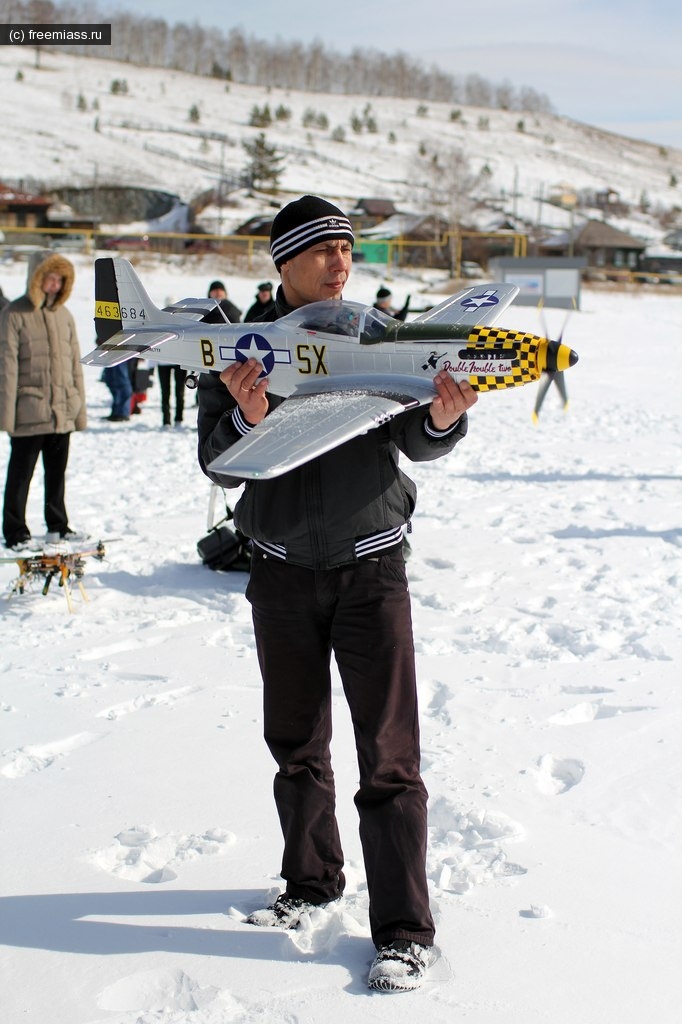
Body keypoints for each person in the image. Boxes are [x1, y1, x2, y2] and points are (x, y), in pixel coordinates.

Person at [197, 195, 477, 992]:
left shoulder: (372, 333)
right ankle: (311, 882)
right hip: (281, 570)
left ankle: (403, 931)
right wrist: (247, 420)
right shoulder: (240, 347)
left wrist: (444, 420)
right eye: (323, 251)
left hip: (371, 569)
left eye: (348, 250)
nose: (341, 263)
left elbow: (412, 436)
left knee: (390, 758)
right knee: (296, 746)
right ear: (283, 263)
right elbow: (216, 463)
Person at [0, 251, 87, 550]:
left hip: (62, 411)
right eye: (49, 277)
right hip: (29, 411)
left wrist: (79, 410)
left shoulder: (65, 317)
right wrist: (6, 416)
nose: (54, 284)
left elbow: (75, 366)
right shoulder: (14, 314)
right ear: (36, 278)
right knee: (21, 474)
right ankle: (15, 531)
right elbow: (6, 368)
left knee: (57, 474)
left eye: (59, 279)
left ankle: (58, 526)